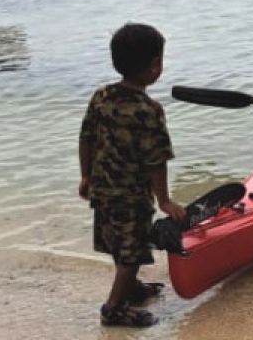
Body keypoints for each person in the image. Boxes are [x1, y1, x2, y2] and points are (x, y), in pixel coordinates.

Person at [78, 23, 187, 328]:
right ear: (154, 66)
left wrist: (85, 176)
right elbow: (157, 159)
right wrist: (164, 199)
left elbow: (85, 137)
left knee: (117, 242)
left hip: (102, 188)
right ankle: (113, 308)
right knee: (133, 251)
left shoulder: (101, 97)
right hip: (130, 196)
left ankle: (131, 287)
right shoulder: (148, 110)